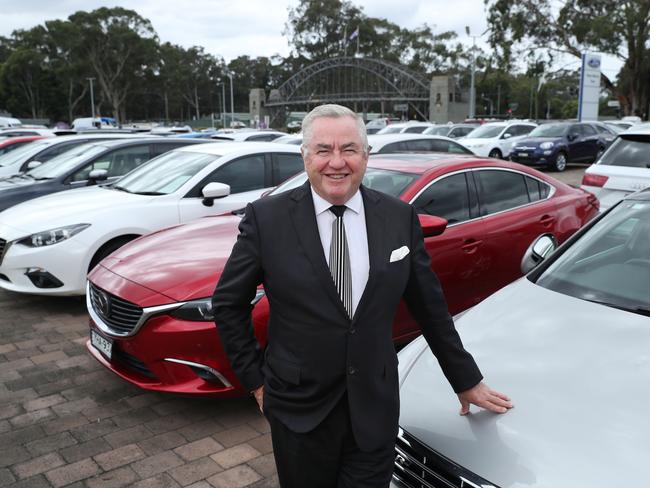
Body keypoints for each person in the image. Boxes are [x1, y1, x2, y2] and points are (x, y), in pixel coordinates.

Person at [212, 104, 512, 488]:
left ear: (366, 155)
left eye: (349, 149)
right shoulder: (265, 219)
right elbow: (228, 303)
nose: (336, 162)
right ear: (305, 156)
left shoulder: (399, 218)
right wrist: (255, 380)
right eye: (323, 150)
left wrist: (465, 379)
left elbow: (431, 308)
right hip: (299, 411)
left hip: (375, 406)